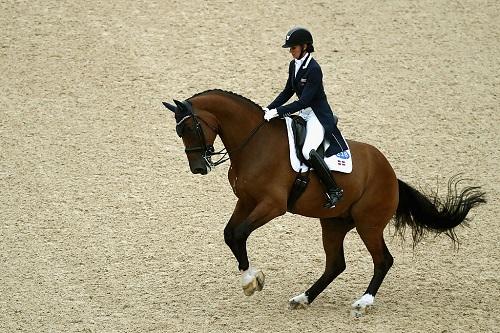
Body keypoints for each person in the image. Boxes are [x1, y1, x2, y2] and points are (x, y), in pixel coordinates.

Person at [263, 27, 345, 208]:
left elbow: (304, 100)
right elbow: (287, 92)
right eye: (290, 48)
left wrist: (278, 112)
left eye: (293, 48)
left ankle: (334, 190)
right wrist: (267, 109)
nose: (291, 52)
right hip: (304, 113)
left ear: (305, 46)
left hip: (317, 114)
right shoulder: (294, 65)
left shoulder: (314, 69)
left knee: (308, 150)